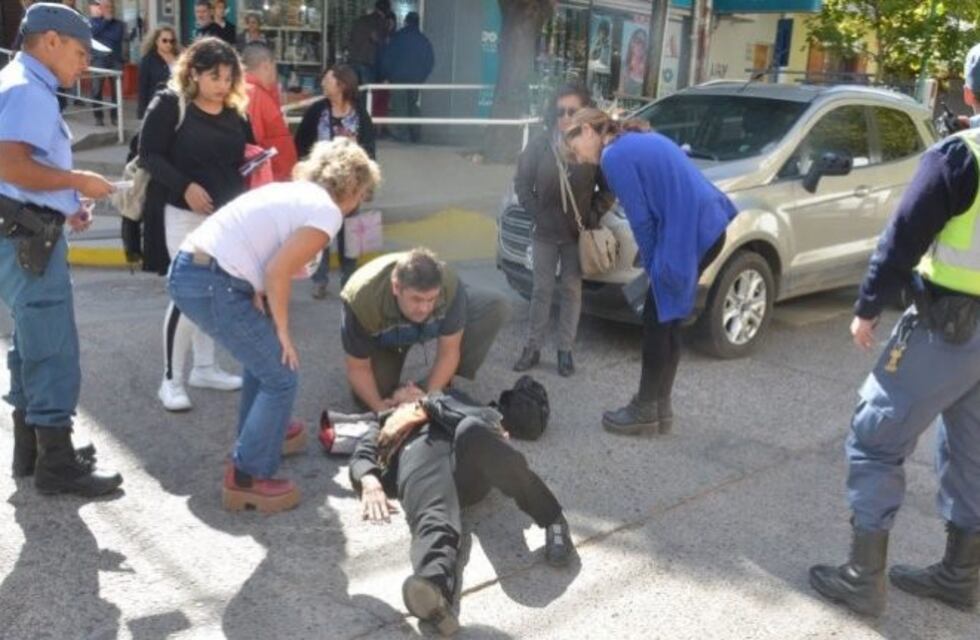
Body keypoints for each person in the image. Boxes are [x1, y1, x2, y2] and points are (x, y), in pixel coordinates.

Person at [808, 43, 980, 617]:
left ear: (971, 93)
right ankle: (959, 576)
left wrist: (867, 306)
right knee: (973, 452)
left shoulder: (959, 157)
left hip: (947, 330)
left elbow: (902, 237)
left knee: (874, 438)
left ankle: (863, 576)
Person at [170, 138, 380, 512]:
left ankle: (265, 433)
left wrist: (261, 300)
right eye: (362, 195)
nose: (358, 204)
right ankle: (247, 475)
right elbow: (278, 270)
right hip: (211, 279)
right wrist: (282, 330)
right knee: (282, 373)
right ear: (352, 188)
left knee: (264, 362)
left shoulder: (295, 191)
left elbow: (262, 255)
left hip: (199, 269)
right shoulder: (327, 212)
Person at [0, 2, 122, 496]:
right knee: (51, 344)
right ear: (49, 41)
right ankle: (57, 463)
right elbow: (9, 164)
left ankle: (31, 452)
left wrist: (64, 202)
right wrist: (76, 181)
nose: (85, 64)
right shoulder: (31, 91)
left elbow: (21, 172)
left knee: (31, 339)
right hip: (28, 240)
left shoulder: (20, 81)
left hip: (24, 229)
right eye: (78, 51)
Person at [565, 109, 736, 437]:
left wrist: (656, 264)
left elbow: (641, 219)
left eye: (576, 150)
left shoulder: (613, 156)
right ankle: (660, 407)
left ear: (587, 130)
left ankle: (646, 409)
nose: (580, 159)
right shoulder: (633, 138)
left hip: (690, 231)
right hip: (706, 225)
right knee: (667, 320)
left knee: (657, 323)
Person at [351, 392, 573, 634]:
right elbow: (363, 453)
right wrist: (369, 481)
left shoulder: (446, 398)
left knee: (470, 429)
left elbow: (484, 416)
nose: (407, 386)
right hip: (416, 458)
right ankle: (433, 591)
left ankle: (554, 520)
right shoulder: (385, 420)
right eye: (398, 391)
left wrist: (493, 435)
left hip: (467, 462)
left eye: (413, 386)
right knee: (434, 513)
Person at [139, 37, 252, 412]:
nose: (222, 84)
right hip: (183, 215)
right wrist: (185, 186)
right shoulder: (172, 104)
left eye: (228, 76)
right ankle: (170, 379)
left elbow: (243, 156)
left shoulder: (236, 111)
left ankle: (205, 368)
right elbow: (148, 155)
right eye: (214, 76)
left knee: (211, 294)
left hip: (224, 218)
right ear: (194, 73)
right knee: (188, 295)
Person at [512, 84, 614, 378]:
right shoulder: (540, 144)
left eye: (573, 111)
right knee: (541, 290)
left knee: (571, 291)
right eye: (560, 112)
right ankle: (532, 349)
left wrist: (590, 216)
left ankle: (565, 351)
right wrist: (537, 213)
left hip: (575, 235)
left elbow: (608, 190)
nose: (565, 117)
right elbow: (522, 183)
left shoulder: (592, 145)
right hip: (545, 232)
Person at [341, 248, 512, 413]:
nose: (424, 308)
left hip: (428, 326)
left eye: (431, 299)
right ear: (396, 287)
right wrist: (381, 410)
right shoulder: (362, 300)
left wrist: (426, 399)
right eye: (416, 299)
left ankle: (437, 383)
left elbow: (449, 352)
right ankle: (403, 388)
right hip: (386, 340)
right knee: (366, 400)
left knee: (495, 305)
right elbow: (358, 368)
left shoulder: (448, 285)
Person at [294, 64, 375, 298]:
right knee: (320, 232)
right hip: (320, 184)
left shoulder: (359, 113)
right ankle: (319, 280)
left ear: (341, 84)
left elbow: (370, 147)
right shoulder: (317, 110)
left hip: (351, 184)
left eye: (327, 79)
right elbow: (301, 143)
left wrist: (368, 183)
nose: (322, 83)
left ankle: (350, 280)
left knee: (350, 234)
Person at [242, 43, 297, 181]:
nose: (276, 73)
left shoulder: (249, 91)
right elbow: (254, 143)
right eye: (275, 66)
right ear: (267, 65)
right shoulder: (254, 94)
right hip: (268, 178)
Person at [379, 11, 433, 143]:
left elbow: (387, 58)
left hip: (398, 79)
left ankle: (403, 135)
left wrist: (387, 75)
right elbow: (430, 61)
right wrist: (421, 77)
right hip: (415, 80)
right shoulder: (423, 40)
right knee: (412, 105)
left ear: (406, 22)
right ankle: (415, 134)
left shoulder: (398, 37)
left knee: (400, 107)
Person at [89, 0, 124, 126]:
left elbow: (115, 37)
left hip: (115, 60)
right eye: (106, 7)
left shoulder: (119, 24)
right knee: (96, 90)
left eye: (111, 6)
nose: (109, 9)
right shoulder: (92, 22)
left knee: (116, 91)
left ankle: (115, 117)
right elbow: (92, 34)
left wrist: (103, 32)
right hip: (99, 60)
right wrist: (105, 22)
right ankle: (98, 117)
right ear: (101, 8)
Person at [137, 25, 179, 120]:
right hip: (158, 106)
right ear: (156, 41)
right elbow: (143, 87)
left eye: (171, 41)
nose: (168, 44)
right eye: (164, 40)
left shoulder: (179, 57)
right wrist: (142, 113)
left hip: (178, 104)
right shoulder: (148, 60)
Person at [346, 0, 389, 86]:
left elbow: (349, 39)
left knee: (354, 90)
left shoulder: (360, 20)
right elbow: (377, 39)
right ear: (387, 10)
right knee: (367, 93)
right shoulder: (380, 21)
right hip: (367, 62)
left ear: (375, 8)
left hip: (353, 60)